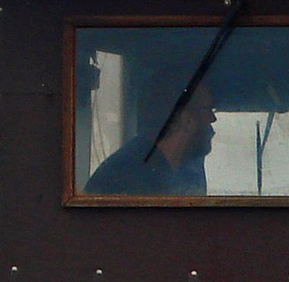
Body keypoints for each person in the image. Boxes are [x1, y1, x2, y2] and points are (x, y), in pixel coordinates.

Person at [83, 78, 217, 196]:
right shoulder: (128, 176)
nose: (213, 119)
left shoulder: (187, 168)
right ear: (185, 118)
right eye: (208, 109)